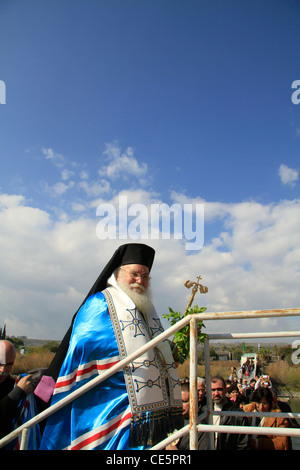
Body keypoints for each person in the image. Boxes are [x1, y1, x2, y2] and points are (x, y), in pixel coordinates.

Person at [40, 243, 183, 450]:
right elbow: (85, 342)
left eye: (145, 276)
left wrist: (166, 351)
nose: (140, 281)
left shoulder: (145, 307)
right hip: (103, 397)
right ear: (117, 273)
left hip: (136, 400)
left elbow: (146, 341)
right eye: (134, 274)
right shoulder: (99, 302)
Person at [0, 340, 35, 441]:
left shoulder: (12, 383)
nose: (3, 370)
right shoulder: (17, 388)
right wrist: (17, 393)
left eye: (9, 365)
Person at [211, 375, 249, 450]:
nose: (216, 393)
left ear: (226, 390)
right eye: (213, 390)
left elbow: (243, 445)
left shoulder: (238, 415)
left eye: (219, 389)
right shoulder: (204, 411)